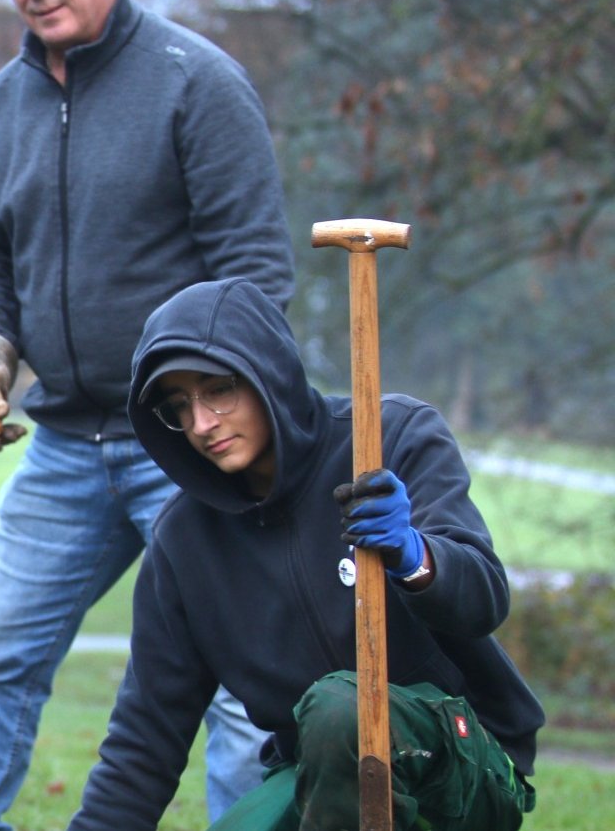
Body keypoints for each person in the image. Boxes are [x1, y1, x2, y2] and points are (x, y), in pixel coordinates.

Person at [0, 0, 297, 827]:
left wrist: (209, 413)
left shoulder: (197, 83)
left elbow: (254, 277)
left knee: (235, 688)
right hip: (61, 448)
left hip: (185, 447)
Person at [67, 276, 542, 829]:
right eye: (178, 405)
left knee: (343, 710)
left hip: (466, 756)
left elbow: (484, 600)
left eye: (218, 389)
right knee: (324, 735)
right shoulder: (182, 542)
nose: (200, 424)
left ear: (267, 372)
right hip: (319, 769)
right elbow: (146, 738)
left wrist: (414, 555)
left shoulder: (391, 436)